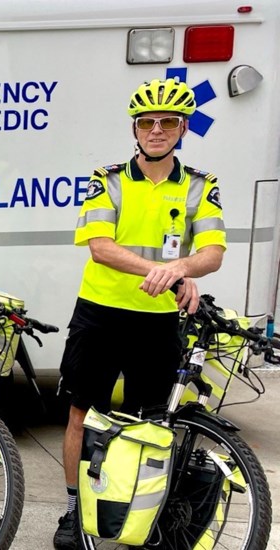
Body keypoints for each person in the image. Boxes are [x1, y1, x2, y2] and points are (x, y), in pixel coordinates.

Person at [53, 78, 226, 549]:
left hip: (157, 323)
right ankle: (73, 508)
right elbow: (100, 248)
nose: (156, 130)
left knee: (152, 422)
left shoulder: (198, 186)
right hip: (101, 313)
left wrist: (183, 267)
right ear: (135, 128)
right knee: (80, 413)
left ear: (183, 128)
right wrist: (168, 271)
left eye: (167, 122)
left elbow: (212, 253)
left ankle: (142, 510)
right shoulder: (106, 179)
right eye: (147, 122)